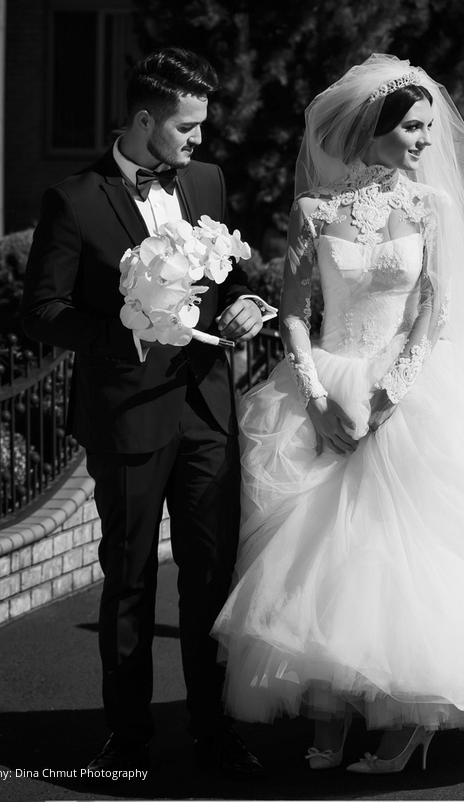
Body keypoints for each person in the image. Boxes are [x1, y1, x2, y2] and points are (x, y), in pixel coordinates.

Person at [213, 54, 464, 774]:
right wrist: (319, 400)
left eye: (426, 127)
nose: (425, 139)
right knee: (320, 559)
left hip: (411, 385)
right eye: (412, 127)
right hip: (327, 378)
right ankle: (328, 715)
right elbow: (294, 314)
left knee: (402, 553)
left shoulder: (428, 206)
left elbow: (433, 309)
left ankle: (407, 719)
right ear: (371, 128)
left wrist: (390, 393)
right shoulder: (312, 211)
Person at [21, 46, 275, 779]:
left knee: (210, 577)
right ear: (142, 120)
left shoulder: (207, 180)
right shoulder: (74, 199)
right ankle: (127, 740)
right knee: (129, 580)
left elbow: (227, 280)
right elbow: (42, 309)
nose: (199, 139)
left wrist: (247, 305)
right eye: (186, 126)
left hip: (206, 409)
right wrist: (126, 331)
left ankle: (213, 732)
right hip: (127, 413)